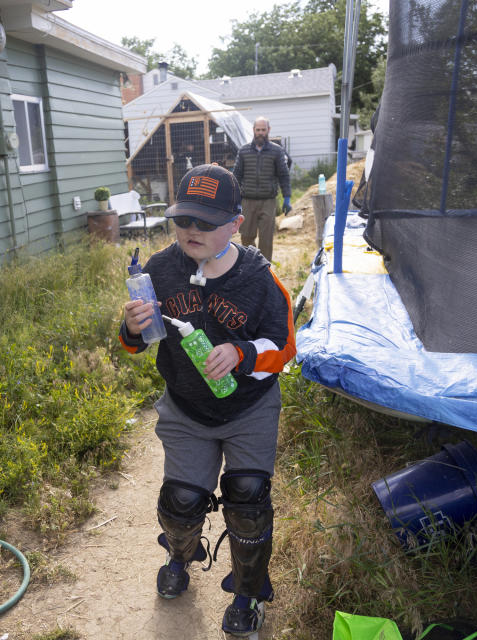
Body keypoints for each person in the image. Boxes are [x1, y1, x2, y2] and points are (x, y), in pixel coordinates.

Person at [119, 164, 297, 637]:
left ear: (237, 223)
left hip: (250, 408)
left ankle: (248, 590)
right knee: (180, 500)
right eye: (184, 220)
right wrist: (132, 329)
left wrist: (240, 353)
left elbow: (285, 349)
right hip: (186, 408)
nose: (192, 231)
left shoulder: (261, 279)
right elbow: (137, 344)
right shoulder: (159, 269)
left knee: (247, 500)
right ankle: (180, 553)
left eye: (206, 222)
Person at [231, 117, 292, 263]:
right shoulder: (244, 151)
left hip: (268, 201)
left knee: (266, 238)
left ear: (268, 130)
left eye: (263, 130)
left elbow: (284, 175)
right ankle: (250, 266)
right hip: (247, 201)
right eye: (258, 130)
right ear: (253, 130)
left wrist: (287, 198)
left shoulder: (276, 151)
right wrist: (233, 199)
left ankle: (264, 270)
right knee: (246, 236)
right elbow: (236, 176)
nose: (260, 133)